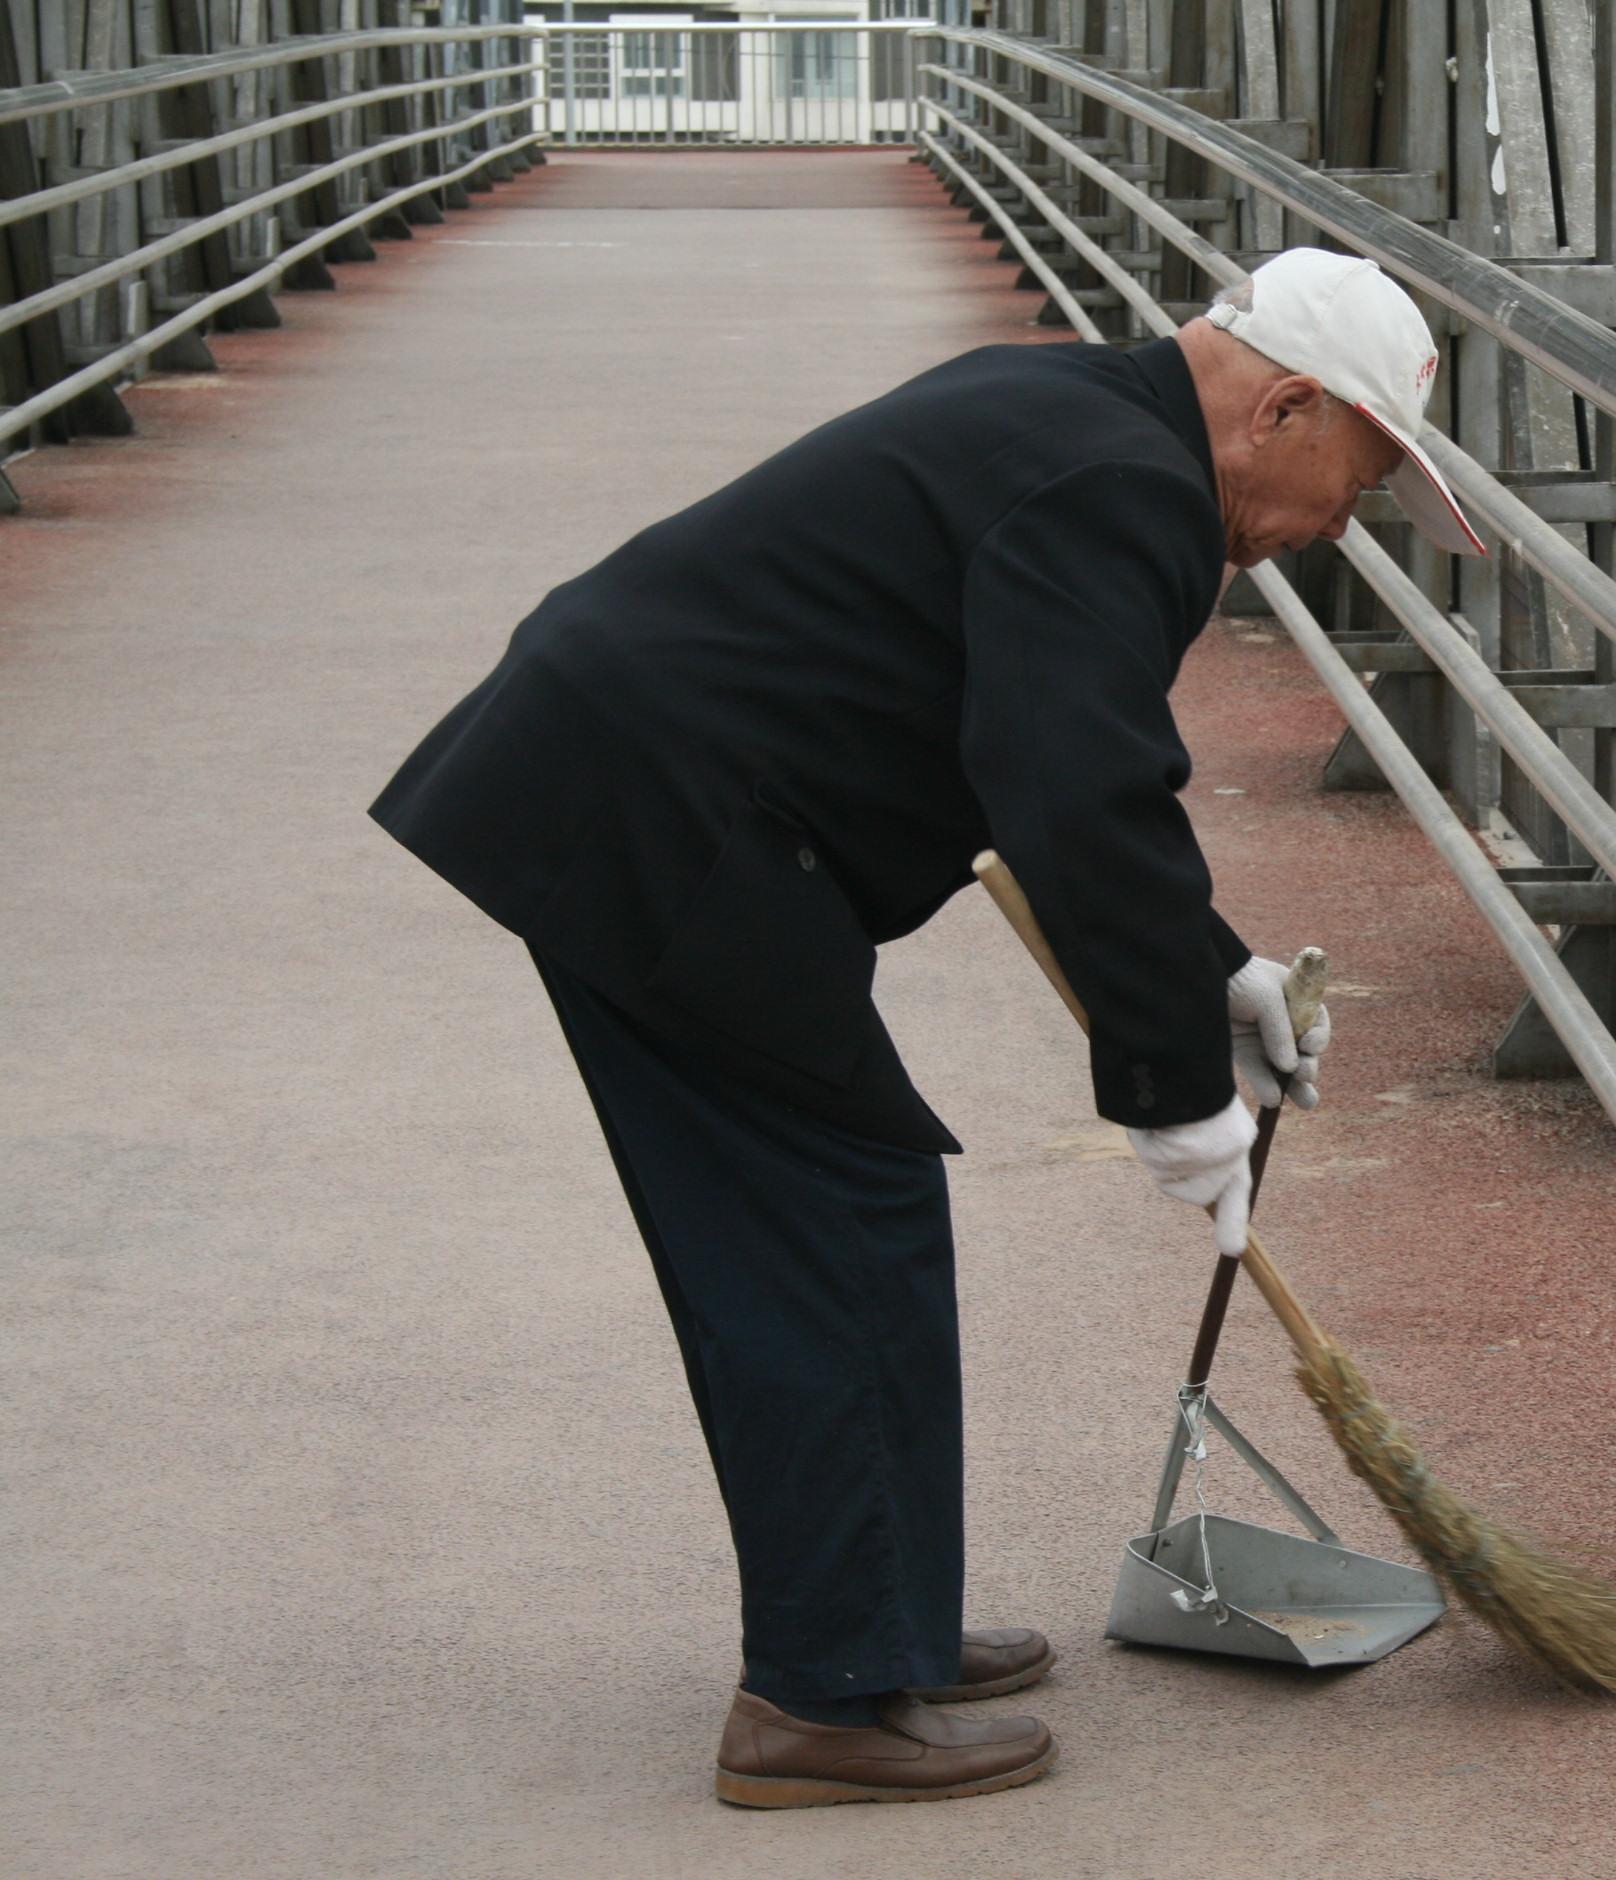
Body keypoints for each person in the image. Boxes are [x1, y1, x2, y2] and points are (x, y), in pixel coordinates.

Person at [369, 249, 1483, 1807]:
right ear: (1286, 404)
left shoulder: (1077, 414)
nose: (1333, 530)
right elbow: (1079, 786)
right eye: (1351, 482)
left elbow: (1042, 753)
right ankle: (817, 1702)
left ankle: (874, 1625)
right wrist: (1172, 1090)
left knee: (847, 1208)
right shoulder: (1126, 489)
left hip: (672, 798)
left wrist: (1208, 967)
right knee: (830, 1219)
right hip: (663, 817)